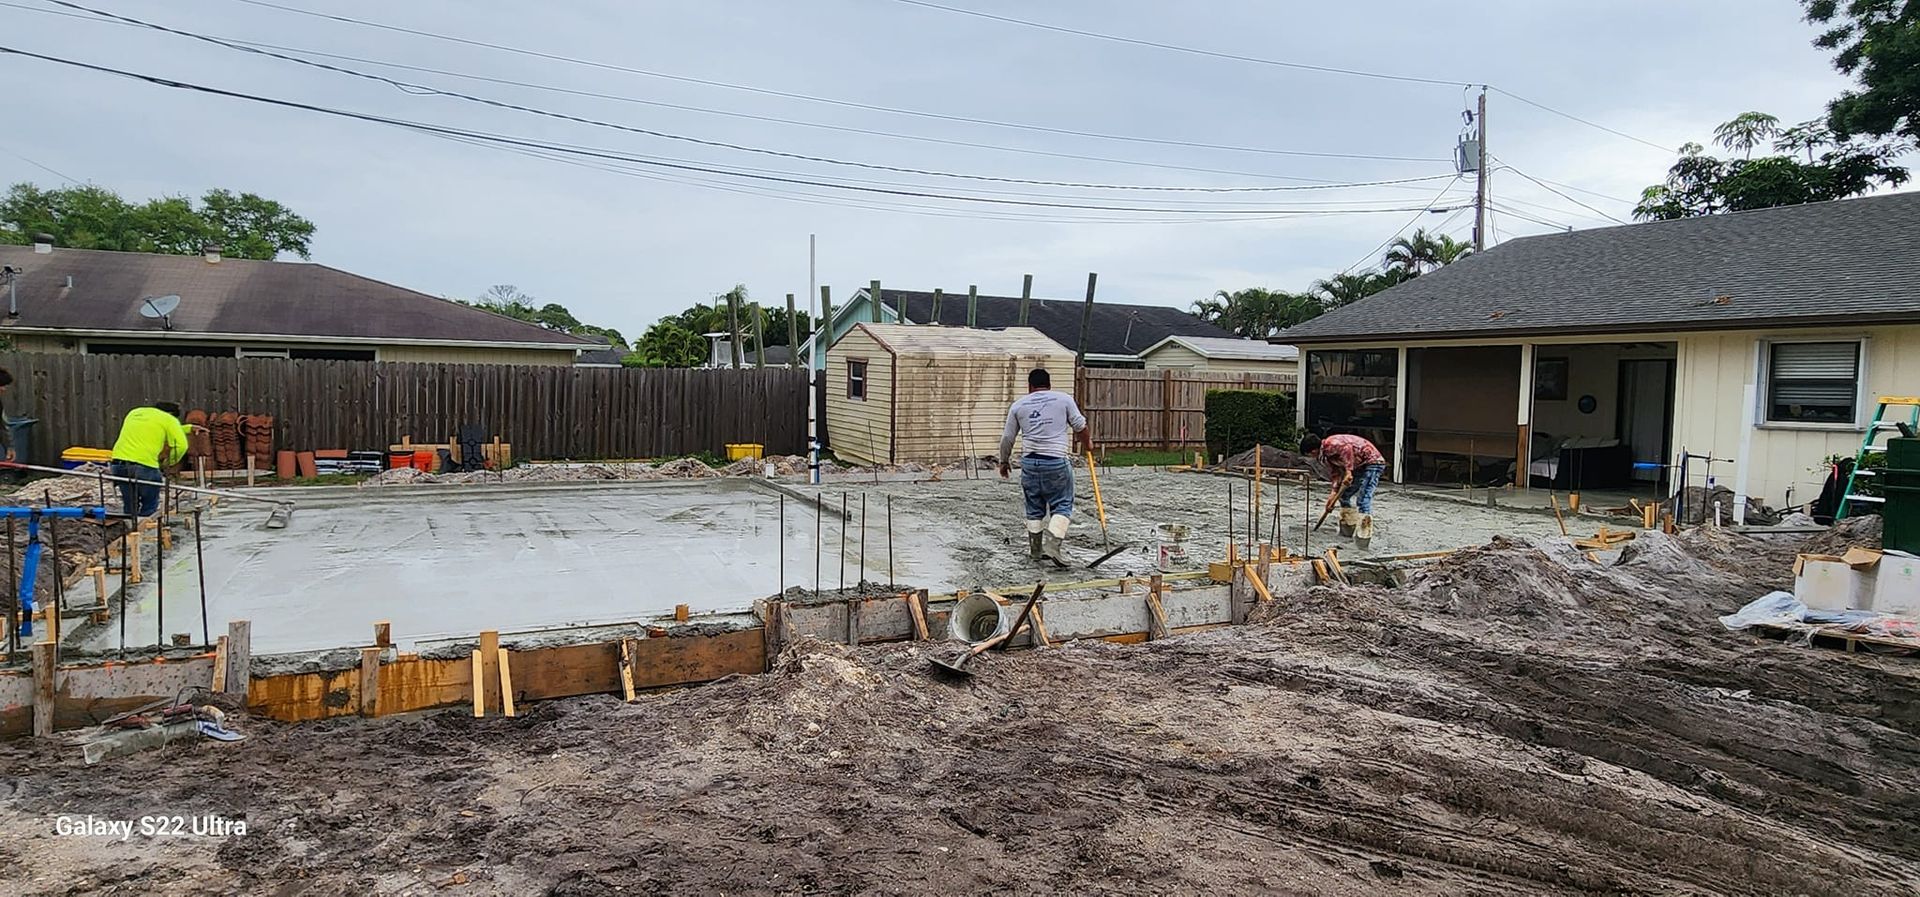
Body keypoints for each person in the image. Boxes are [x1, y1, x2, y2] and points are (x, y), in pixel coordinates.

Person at [998, 368, 1090, 562]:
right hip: (1055, 461)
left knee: (1034, 506)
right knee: (1063, 504)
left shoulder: (1018, 405)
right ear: (1049, 384)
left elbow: (1007, 438)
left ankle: (1036, 551)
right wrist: (1088, 444)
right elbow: (1080, 426)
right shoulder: (1063, 399)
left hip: (1029, 464)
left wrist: (1004, 462)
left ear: (1030, 386)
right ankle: (1053, 545)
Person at [110, 401, 189, 518]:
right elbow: (181, 446)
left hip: (118, 463)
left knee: (130, 504)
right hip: (144, 465)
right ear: (171, 414)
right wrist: (169, 463)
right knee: (149, 505)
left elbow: (153, 427)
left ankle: (129, 529)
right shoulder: (169, 419)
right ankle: (146, 531)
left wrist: (189, 428)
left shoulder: (135, 413)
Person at [1301, 432, 1387, 531]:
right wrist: (1333, 495)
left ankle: (1364, 532)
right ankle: (1349, 526)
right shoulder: (1326, 457)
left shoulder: (1331, 443)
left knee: (1363, 498)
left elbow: (1347, 449)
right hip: (1359, 466)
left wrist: (1348, 471)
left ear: (1313, 451)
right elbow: (1336, 473)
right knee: (1344, 496)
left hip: (1373, 462)